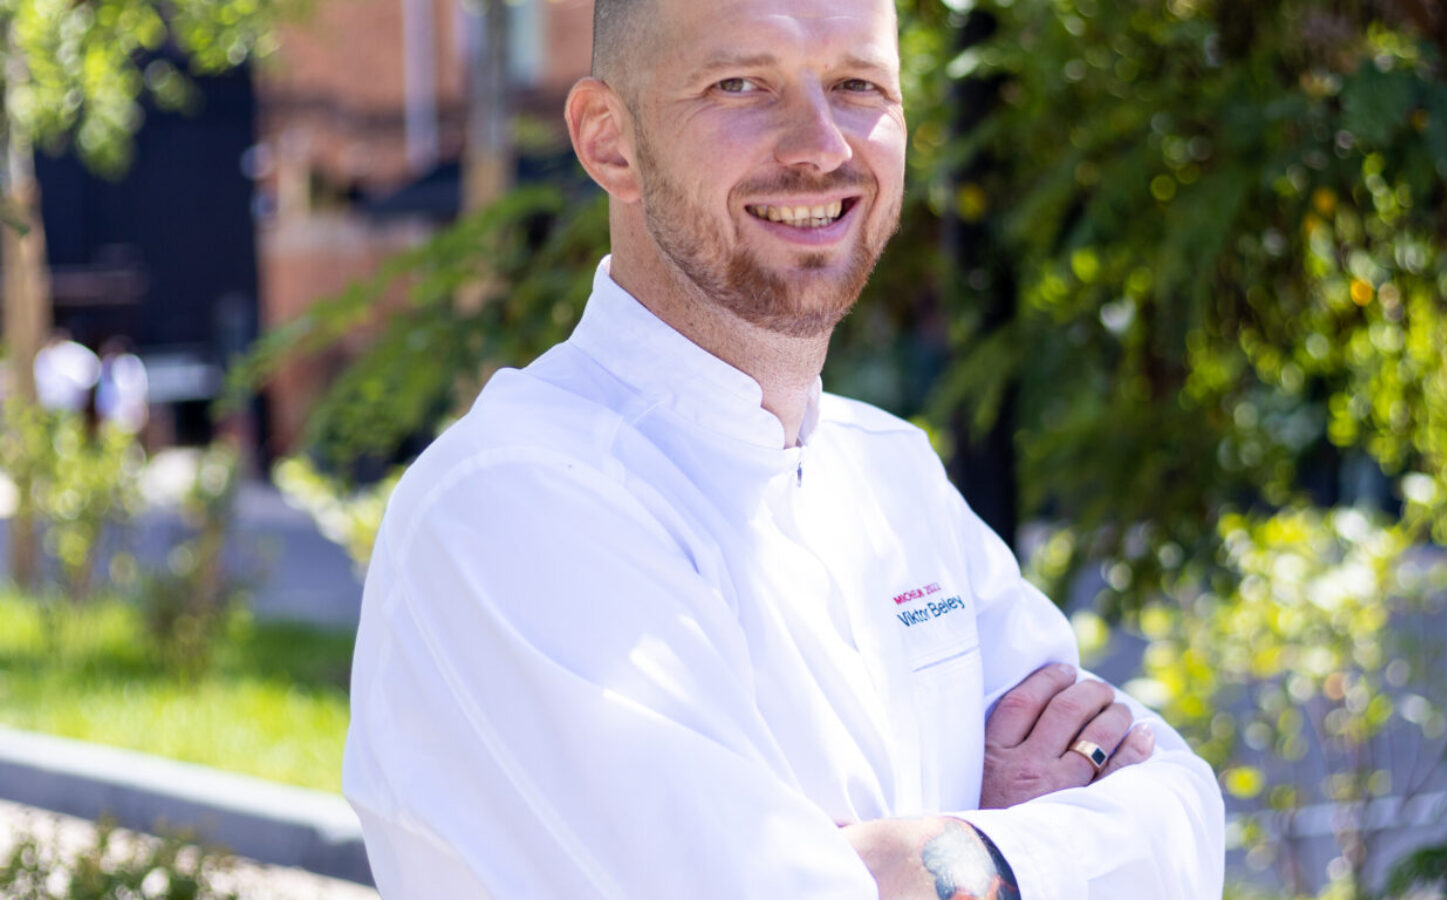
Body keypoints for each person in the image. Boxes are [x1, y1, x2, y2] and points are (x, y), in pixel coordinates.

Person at [343, 0, 1227, 895]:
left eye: (858, 85)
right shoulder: (510, 505)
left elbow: (1184, 808)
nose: (822, 146)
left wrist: (954, 863)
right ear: (609, 140)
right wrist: (1023, 837)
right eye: (741, 84)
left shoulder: (892, 471)